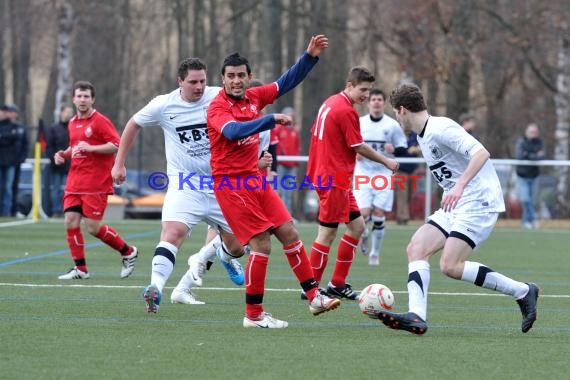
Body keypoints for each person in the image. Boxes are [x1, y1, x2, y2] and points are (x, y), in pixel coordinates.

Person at [366, 83, 539, 335]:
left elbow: (481, 153)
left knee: (450, 265)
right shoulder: (424, 136)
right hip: (457, 203)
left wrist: (459, 186)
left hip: (479, 200)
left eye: (395, 112)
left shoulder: (441, 127)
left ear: (402, 110)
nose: (396, 118)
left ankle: (523, 291)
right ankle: (416, 316)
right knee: (416, 248)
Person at [207, 34, 342, 329]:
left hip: (255, 180)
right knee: (262, 244)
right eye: (230, 76)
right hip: (231, 185)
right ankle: (253, 316)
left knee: (290, 232)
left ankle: (314, 296)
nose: (236, 81)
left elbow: (286, 82)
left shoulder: (254, 97)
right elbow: (232, 132)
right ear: (223, 79)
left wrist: (309, 57)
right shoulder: (217, 107)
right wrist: (271, 120)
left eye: (241, 75)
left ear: (249, 77)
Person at [112, 58, 246, 312]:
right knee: (172, 233)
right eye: (193, 82)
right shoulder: (164, 104)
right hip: (186, 185)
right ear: (180, 81)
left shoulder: (219, 97)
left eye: (203, 81)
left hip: (223, 185)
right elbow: (133, 124)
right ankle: (156, 288)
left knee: (237, 248)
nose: (199, 87)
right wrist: (119, 164)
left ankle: (222, 254)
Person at [306, 69, 399, 300]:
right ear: (350, 85)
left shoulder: (330, 102)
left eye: (369, 90)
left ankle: (337, 283)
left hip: (330, 175)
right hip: (332, 178)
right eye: (363, 90)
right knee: (326, 234)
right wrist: (386, 161)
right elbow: (358, 146)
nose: (366, 95)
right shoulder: (345, 110)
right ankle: (310, 287)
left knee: (358, 227)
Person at [55, 81, 138, 279]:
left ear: (92, 99)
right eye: (79, 96)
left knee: (92, 228)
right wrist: (63, 155)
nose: (82, 100)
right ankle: (81, 269)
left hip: (95, 183)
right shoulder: (73, 122)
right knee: (70, 221)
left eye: (86, 96)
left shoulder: (99, 121)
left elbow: (117, 145)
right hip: (74, 181)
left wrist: (91, 149)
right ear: (74, 99)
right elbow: (75, 147)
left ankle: (128, 252)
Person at [353, 89, 408, 266]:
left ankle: (375, 253)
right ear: (368, 103)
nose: (376, 102)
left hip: (383, 173)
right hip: (363, 172)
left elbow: (403, 149)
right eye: (373, 99)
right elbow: (349, 144)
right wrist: (354, 154)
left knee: (378, 213)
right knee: (363, 214)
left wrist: (395, 151)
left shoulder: (392, 125)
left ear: (383, 103)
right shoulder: (359, 123)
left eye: (379, 99)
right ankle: (364, 234)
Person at [514, 123, 544, 229]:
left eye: (535, 132)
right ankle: (533, 219)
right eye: (531, 132)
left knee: (532, 200)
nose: (533, 134)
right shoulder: (521, 142)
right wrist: (534, 155)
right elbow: (520, 156)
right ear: (527, 132)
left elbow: (541, 157)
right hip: (522, 175)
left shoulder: (540, 142)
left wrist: (529, 155)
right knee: (526, 199)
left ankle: (526, 222)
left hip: (534, 175)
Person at [46, 105, 73, 217]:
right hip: (57, 166)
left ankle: (69, 210)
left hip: (71, 165)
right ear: (61, 113)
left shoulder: (74, 127)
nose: (69, 114)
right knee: (56, 189)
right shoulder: (54, 128)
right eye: (67, 112)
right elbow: (49, 147)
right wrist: (54, 159)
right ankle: (56, 211)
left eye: (71, 112)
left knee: (71, 190)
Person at [1, 104, 28, 217]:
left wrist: (22, 158)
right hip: (3, 160)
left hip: (13, 161)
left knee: (9, 187)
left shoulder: (18, 127)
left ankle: (8, 210)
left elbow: (24, 144)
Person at [275, 106, 301, 217]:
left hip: (291, 165)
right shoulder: (278, 129)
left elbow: (297, 147)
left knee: (288, 192)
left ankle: (288, 216)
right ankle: (277, 215)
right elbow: (275, 144)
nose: (291, 116)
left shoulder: (294, 131)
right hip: (280, 164)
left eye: (292, 114)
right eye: (288, 114)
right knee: (278, 191)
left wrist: (296, 162)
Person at [395, 122, 421, 225]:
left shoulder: (415, 134)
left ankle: (404, 215)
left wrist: (417, 149)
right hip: (400, 169)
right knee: (402, 193)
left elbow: (420, 145)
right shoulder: (396, 135)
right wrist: (407, 150)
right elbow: (394, 150)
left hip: (412, 169)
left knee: (410, 193)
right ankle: (402, 218)